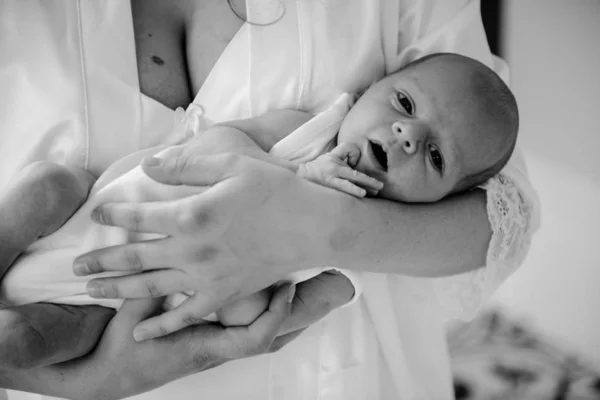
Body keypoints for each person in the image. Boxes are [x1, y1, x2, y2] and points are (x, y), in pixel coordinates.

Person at [0, 1, 539, 399]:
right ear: (369, 92)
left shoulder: (337, 270)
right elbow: (217, 146)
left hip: (112, 317)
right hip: (65, 240)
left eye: (436, 158)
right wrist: (290, 177)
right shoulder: (310, 129)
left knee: (40, 337)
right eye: (402, 102)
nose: (406, 135)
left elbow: (501, 215)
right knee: (47, 189)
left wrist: (317, 228)